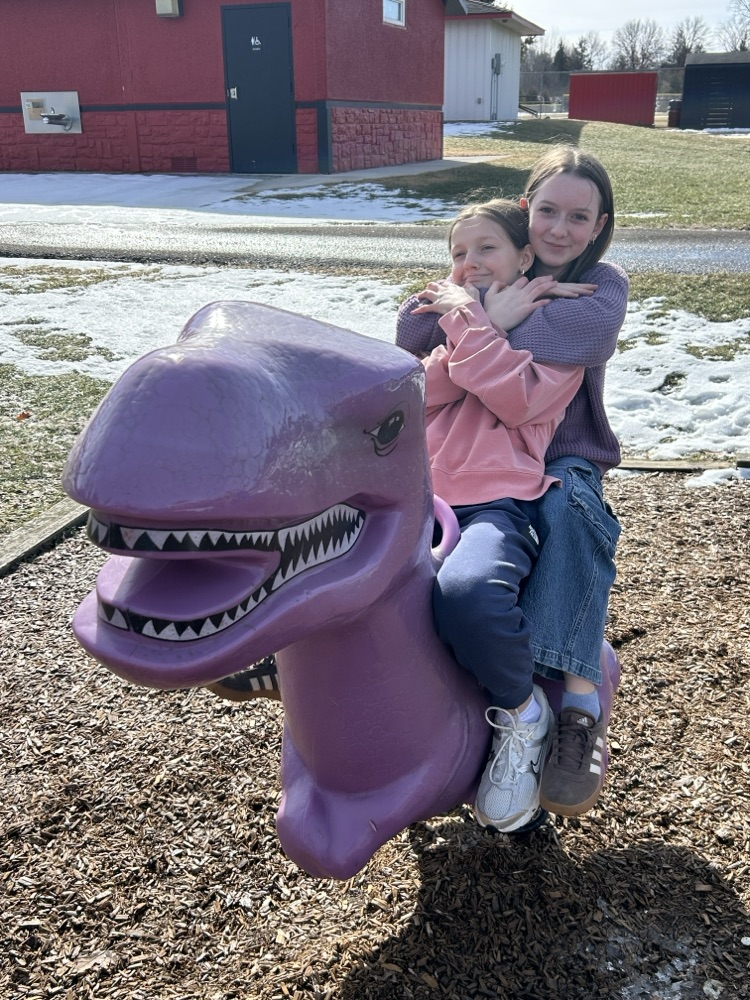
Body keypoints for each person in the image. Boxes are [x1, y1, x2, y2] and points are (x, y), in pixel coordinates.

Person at [396, 146, 628, 823]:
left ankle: (578, 705)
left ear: (599, 224)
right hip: (455, 469)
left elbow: (577, 337)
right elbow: (410, 334)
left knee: (571, 518)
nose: (560, 228)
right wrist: (487, 311)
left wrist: (471, 314)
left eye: (578, 217)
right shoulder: (486, 269)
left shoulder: (597, 285)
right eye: (548, 211)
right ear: (529, 214)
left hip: (554, 457)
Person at [412, 197, 586, 832]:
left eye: (486, 248)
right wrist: (480, 321)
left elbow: (516, 400)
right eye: (458, 253)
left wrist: (472, 323)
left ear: (524, 254)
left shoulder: (558, 328)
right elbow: (419, 393)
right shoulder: (462, 318)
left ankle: (521, 713)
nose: (468, 263)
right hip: (417, 495)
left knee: (468, 593)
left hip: (497, 503)